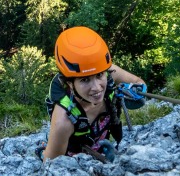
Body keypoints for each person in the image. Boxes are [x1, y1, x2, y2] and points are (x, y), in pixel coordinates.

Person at [42, 26, 146, 162]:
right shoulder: (63, 121)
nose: (97, 88)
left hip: (102, 146)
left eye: (99, 76)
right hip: (74, 159)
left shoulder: (107, 72)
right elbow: (51, 164)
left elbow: (139, 83)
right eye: (85, 80)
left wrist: (136, 93)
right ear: (70, 84)